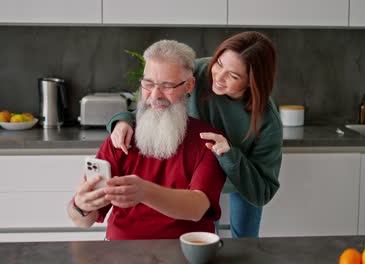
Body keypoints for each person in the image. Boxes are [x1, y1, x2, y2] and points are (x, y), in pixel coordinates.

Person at [106, 31, 283, 238]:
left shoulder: (267, 120)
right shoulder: (198, 71)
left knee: (245, 239)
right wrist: (123, 120)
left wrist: (230, 156)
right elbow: (156, 98)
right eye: (219, 64)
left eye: (233, 76)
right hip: (198, 175)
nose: (218, 77)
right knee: (203, 235)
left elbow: (262, 191)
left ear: (252, 82)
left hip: (241, 178)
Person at [67, 40, 226, 240]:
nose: (155, 95)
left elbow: (197, 207)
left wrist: (144, 192)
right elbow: (84, 221)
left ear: (189, 85)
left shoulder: (209, 140)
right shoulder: (122, 135)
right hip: (122, 251)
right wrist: (80, 206)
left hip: (184, 250)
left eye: (167, 85)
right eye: (148, 84)